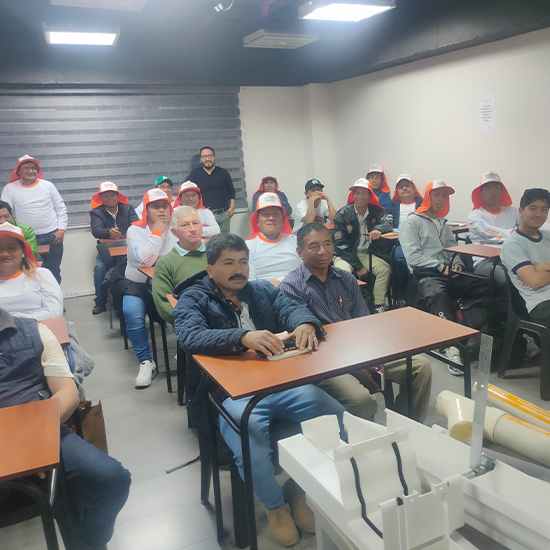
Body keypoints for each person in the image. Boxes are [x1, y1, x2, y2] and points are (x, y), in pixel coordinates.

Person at [173, 233, 346, 547]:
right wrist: (241, 337)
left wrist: (305, 323)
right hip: (231, 393)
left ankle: (300, 489)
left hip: (278, 381)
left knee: (338, 418)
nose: (238, 270)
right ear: (210, 269)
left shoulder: (260, 290)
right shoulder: (194, 298)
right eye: (228, 263)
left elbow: (291, 308)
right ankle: (275, 506)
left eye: (243, 262)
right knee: (249, 437)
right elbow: (189, 336)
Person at [0, 306, 130, 550]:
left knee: (110, 479)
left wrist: (33, 437)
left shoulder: (34, 331)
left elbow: (68, 392)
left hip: (40, 431)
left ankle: (88, 544)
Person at [280, 223, 432, 422]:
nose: (323, 251)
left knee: (420, 366)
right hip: (324, 362)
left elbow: (363, 324)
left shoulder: (346, 279)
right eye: (314, 246)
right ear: (300, 252)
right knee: (362, 401)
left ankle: (407, 426)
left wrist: (370, 356)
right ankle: (364, 438)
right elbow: (308, 343)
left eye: (327, 244)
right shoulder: (291, 287)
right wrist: (353, 366)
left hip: (358, 351)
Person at [400, 180, 488, 373]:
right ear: (427, 196)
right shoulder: (412, 222)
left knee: (485, 286)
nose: (441, 199)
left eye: (444, 196)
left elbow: (453, 248)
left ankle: (479, 338)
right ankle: (452, 348)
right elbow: (413, 257)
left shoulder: (443, 223)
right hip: (426, 274)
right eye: (437, 195)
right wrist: (441, 267)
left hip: (449, 271)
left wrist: (457, 262)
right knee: (439, 294)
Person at [121, 189, 177, 389]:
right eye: (155, 206)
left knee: (186, 308)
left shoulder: (177, 228)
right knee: (131, 312)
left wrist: (158, 259)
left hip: (169, 285)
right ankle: (146, 362)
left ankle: (188, 349)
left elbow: (182, 256)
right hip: (138, 286)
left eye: (165, 206)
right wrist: (157, 233)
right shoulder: (135, 230)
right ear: (146, 209)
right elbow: (145, 260)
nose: (162, 210)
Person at [1, 154, 68, 284]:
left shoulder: (48, 186)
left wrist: (61, 230)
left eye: (33, 168)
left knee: (53, 271)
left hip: (53, 237)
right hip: (25, 238)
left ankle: (54, 296)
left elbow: (61, 208)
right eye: (27, 168)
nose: (31, 171)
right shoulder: (10, 188)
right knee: (28, 271)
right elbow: (5, 214)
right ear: (19, 171)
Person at [333, 178, 393, 313]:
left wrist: (378, 229)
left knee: (385, 269)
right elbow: (340, 245)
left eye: (364, 193)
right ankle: (344, 307)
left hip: (366, 254)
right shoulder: (342, 214)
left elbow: (388, 222)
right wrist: (358, 267)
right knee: (341, 272)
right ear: (353, 195)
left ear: (370, 196)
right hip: (345, 255)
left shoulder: (376, 211)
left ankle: (378, 305)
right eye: (357, 193)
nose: (360, 196)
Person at [501, 188, 550, 329]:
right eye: (533, 208)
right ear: (521, 211)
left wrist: (542, 267)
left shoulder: (547, 236)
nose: (539, 214)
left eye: (544, 209)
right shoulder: (513, 244)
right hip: (541, 304)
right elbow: (535, 281)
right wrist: (536, 273)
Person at [152, 206, 208, 326]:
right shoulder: (166, 264)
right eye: (185, 225)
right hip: (191, 326)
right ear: (174, 232)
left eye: (195, 223)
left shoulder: (217, 254)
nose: (192, 229)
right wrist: (194, 323)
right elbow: (164, 305)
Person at [90, 182, 138, 315]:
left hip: (127, 248)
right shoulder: (96, 212)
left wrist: (126, 233)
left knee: (131, 266)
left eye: (113, 195)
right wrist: (108, 232)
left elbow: (136, 225)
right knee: (99, 268)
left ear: (118, 196)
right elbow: (96, 230)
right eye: (106, 196)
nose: (110, 198)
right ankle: (100, 302)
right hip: (106, 250)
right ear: (101, 198)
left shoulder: (128, 208)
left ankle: (127, 296)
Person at [0, 222, 63, 320]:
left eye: (11, 248)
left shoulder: (42, 275)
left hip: (39, 328)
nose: (4, 254)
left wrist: (18, 323)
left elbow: (55, 311)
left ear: (23, 251)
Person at [468, 171, 519, 278]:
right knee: (509, 277)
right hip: (486, 261)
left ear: (502, 191)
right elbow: (487, 229)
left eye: (496, 187)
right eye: (487, 188)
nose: (492, 192)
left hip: (512, 257)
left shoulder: (514, 212)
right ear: (481, 193)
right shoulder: (475, 215)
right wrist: (515, 233)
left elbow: (530, 226)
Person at [385, 175, 424, 306]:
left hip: (421, 241)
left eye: (407, 186)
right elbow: (387, 223)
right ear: (397, 191)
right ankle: (400, 296)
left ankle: (422, 293)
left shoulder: (422, 204)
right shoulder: (393, 206)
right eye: (401, 187)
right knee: (398, 257)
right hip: (400, 242)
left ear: (413, 188)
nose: (405, 188)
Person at [247, 193, 300, 281]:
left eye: (276, 214)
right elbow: (251, 283)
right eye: (265, 214)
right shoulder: (248, 247)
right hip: (264, 290)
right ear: (257, 221)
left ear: (283, 220)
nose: (271, 218)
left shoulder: (297, 242)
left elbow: (306, 275)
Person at [186, 146, 236, 232]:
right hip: (204, 215)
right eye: (204, 156)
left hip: (223, 214)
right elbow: (188, 193)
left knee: (224, 239)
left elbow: (231, 191)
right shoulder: (194, 174)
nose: (207, 159)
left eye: (210, 156)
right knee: (206, 238)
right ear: (200, 159)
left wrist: (232, 208)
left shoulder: (223, 173)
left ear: (214, 157)